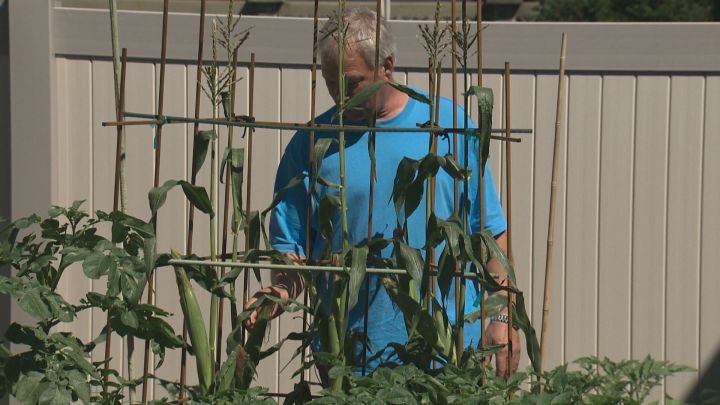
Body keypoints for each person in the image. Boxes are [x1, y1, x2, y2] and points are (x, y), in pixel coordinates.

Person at [244, 8, 521, 377]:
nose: (339, 96)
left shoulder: (447, 127)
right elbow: (295, 253)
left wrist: (503, 313)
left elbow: (488, 234)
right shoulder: (313, 145)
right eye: (330, 82)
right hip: (350, 360)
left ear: (387, 66)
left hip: (447, 355)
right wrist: (278, 294)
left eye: (353, 82)